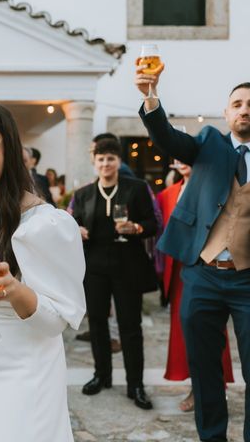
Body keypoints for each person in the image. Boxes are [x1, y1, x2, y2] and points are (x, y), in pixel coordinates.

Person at [0, 102, 85, 441]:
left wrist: (13, 289)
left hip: (25, 373)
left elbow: (57, 322)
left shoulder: (44, 224)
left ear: (9, 151)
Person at [136, 62, 250, 441]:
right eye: (238, 103)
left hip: (249, 279)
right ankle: (212, 437)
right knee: (204, 368)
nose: (245, 109)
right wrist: (151, 98)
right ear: (227, 112)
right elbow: (169, 140)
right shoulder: (209, 143)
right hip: (203, 273)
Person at [72, 138, 158, 410]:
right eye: (101, 159)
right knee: (96, 323)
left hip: (127, 264)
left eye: (111, 158)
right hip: (94, 265)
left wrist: (137, 228)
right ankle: (101, 375)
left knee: (130, 326)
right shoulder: (84, 194)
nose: (106, 163)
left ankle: (136, 384)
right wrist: (77, 230)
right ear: (94, 162)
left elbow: (152, 223)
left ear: (119, 161)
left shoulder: (137, 188)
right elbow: (73, 222)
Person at [156, 160, 235, 412]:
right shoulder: (167, 194)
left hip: (208, 268)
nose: (181, 161)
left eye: (186, 156)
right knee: (184, 331)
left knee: (213, 329)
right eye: (176, 157)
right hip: (179, 269)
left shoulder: (216, 188)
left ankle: (215, 387)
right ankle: (195, 385)